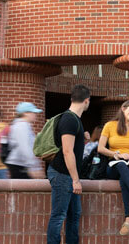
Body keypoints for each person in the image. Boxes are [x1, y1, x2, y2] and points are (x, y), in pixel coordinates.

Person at [46, 84, 90, 244]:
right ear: (86, 101)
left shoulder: (74, 120)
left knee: (74, 215)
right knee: (59, 216)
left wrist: (82, 138)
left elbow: (72, 148)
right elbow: (67, 151)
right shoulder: (69, 119)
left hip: (67, 175)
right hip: (63, 174)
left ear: (72, 98)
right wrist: (75, 180)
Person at [98, 100, 129, 236]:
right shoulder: (109, 125)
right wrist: (116, 154)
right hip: (114, 164)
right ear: (123, 109)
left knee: (125, 179)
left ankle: (128, 218)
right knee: (120, 166)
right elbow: (100, 148)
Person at [5, 102, 44, 179]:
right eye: (34, 112)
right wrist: (34, 168)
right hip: (20, 164)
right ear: (26, 113)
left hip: (20, 164)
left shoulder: (22, 125)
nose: (36, 114)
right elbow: (25, 148)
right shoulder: (22, 126)